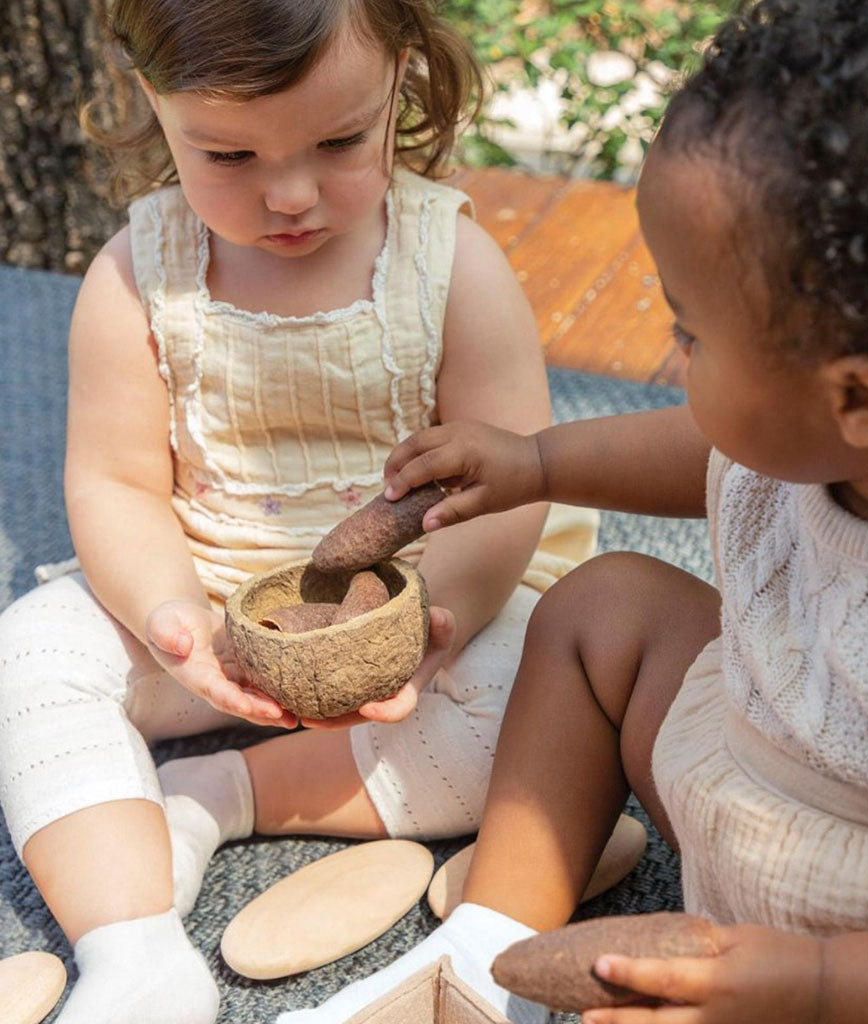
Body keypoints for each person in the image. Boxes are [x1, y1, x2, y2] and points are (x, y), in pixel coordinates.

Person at [277, 1, 868, 1021]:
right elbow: (709, 450)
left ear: (855, 399)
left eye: (689, 333)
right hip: (751, 768)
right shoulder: (824, 434)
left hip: (864, 956)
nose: (674, 361)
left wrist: (811, 986)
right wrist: (537, 461)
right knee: (601, 605)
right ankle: (490, 944)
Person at [0, 1, 600, 1022]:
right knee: (24, 657)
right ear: (154, 102)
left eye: (337, 141)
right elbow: (113, 485)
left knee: (550, 709)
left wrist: (425, 622)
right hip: (211, 600)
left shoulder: (453, 269)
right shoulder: (135, 277)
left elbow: (509, 489)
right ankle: (131, 944)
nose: (289, 193)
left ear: (401, 80)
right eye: (227, 153)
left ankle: (222, 797)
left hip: (424, 618)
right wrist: (170, 614)